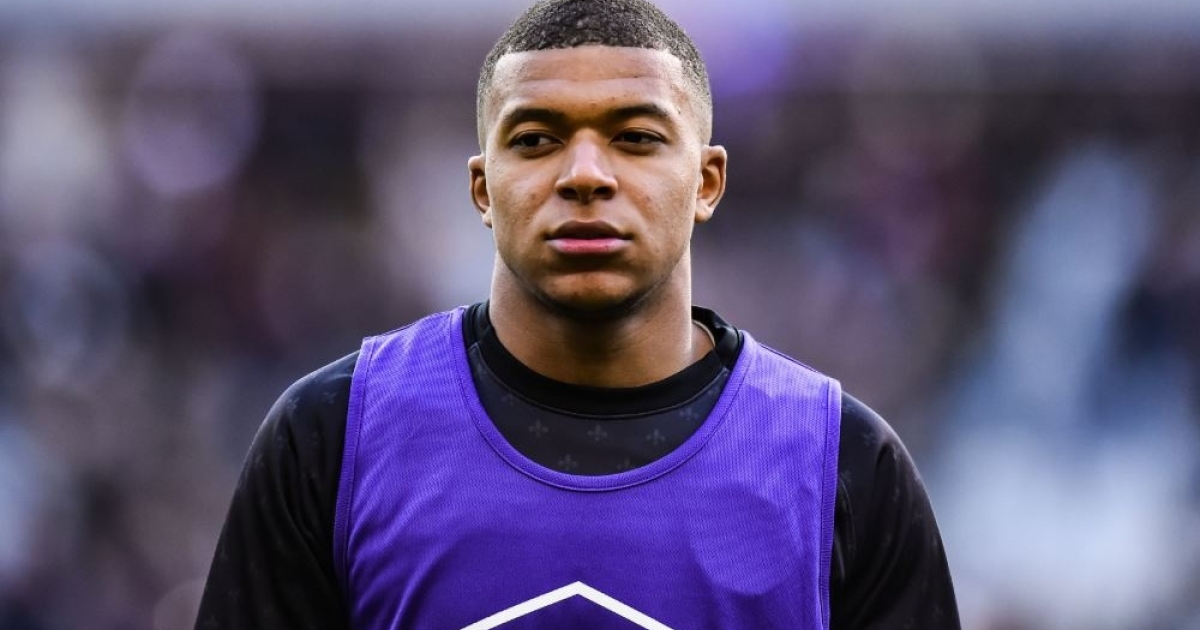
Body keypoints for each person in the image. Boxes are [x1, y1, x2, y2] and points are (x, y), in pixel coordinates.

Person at [195, 0, 960, 627]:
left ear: (706, 181)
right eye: (536, 139)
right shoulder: (332, 438)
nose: (586, 174)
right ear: (481, 188)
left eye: (636, 138)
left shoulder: (844, 465)